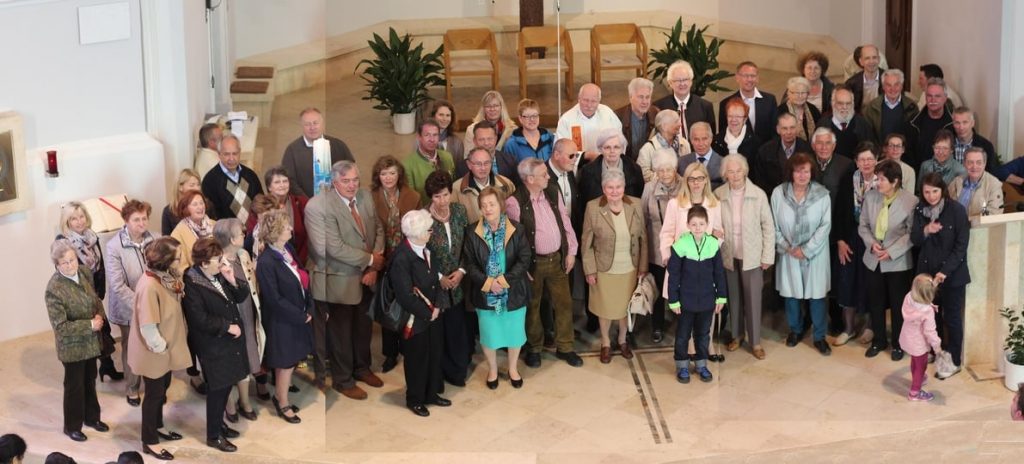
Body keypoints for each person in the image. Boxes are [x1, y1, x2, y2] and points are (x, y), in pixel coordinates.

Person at [304, 160, 385, 399]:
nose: (352, 186)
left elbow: (378, 229)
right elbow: (329, 248)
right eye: (346, 181)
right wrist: (370, 260)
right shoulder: (318, 206)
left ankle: (362, 368)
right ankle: (343, 379)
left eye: (355, 180)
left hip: (366, 276)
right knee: (340, 332)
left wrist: (374, 265)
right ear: (333, 182)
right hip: (337, 279)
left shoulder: (365, 197)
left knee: (363, 327)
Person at [507, 158, 582, 368]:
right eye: (544, 175)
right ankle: (534, 348)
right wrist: (522, 268)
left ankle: (566, 347)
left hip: (557, 258)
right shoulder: (514, 202)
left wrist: (570, 252)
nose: (549, 177)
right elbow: (515, 239)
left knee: (564, 304)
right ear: (530, 179)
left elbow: (565, 222)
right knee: (533, 307)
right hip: (533, 264)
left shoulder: (552, 192)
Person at [181, 237, 251, 453]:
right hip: (213, 344)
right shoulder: (192, 283)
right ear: (203, 263)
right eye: (217, 259)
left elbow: (241, 295)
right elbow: (198, 319)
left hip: (228, 343)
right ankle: (213, 436)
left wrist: (231, 279)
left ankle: (219, 425)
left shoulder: (218, 274)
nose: (222, 263)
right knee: (218, 389)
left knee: (226, 384)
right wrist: (227, 327)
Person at [128, 237, 190, 461]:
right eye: (177, 256)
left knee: (162, 390)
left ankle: (158, 426)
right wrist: (163, 349)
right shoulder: (149, 285)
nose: (181, 259)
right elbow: (148, 327)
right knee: (153, 395)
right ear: (166, 260)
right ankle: (150, 441)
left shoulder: (166, 277)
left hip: (165, 350)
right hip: (154, 352)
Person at [463, 187, 531, 388]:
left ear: (501, 205)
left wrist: (503, 280)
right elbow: (469, 263)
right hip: (485, 293)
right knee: (489, 334)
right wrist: (488, 283)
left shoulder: (517, 229)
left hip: (513, 292)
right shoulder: (472, 231)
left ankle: (512, 368)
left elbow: (524, 259)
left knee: (514, 333)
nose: (487, 209)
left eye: (491, 204)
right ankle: (492, 369)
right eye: (483, 205)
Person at [45, 240, 110, 442]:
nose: (70, 265)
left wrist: (100, 316)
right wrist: (90, 325)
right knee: (74, 386)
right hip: (72, 347)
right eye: (64, 263)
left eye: (72, 259)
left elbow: (95, 299)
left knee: (90, 380)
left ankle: (92, 418)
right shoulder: (54, 289)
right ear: (56, 265)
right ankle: (72, 426)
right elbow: (61, 328)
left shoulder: (84, 272)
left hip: (91, 342)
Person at [581, 171, 648, 363]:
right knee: (606, 308)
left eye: (618, 187)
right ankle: (605, 343)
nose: (614, 191)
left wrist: (643, 267)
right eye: (610, 187)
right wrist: (590, 270)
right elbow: (586, 242)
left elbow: (644, 237)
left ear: (624, 188)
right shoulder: (593, 207)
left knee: (624, 308)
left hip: (630, 267)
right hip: (604, 268)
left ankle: (622, 340)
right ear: (604, 189)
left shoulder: (635, 203)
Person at [771, 153, 832, 356]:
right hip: (788, 253)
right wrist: (787, 246)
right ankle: (795, 330)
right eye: (798, 171)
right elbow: (773, 225)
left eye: (806, 170)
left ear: (811, 172)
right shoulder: (778, 194)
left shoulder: (822, 194)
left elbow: (825, 226)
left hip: (815, 254)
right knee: (792, 295)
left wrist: (806, 250)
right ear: (791, 172)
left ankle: (819, 336)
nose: (802, 175)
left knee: (817, 297)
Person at [256, 210, 313, 424]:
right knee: (285, 362)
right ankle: (282, 403)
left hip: (296, 315)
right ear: (275, 232)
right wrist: (300, 315)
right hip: (282, 320)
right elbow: (274, 299)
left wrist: (308, 305)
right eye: (286, 226)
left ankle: (281, 396)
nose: (291, 229)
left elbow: (300, 275)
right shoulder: (266, 261)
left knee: (290, 362)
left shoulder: (286, 249)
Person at [714, 154, 774, 359]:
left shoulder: (758, 194)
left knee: (753, 299)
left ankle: (755, 342)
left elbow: (768, 227)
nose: (735, 175)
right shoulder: (718, 194)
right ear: (725, 174)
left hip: (752, 255)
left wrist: (767, 256)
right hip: (728, 254)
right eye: (730, 171)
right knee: (734, 298)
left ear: (745, 171)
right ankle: (737, 335)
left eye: (738, 170)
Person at [911, 173, 970, 380]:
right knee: (931, 317)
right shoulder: (919, 210)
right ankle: (937, 352)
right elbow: (915, 239)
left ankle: (953, 360)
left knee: (952, 318)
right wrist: (926, 229)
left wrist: (945, 271)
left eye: (935, 191)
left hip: (952, 275)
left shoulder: (956, 210)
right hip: (927, 277)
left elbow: (961, 246)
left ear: (942, 190)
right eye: (926, 191)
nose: (931, 196)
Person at [390, 210, 449, 416]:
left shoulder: (427, 248)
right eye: (428, 230)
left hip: (433, 315)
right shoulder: (401, 258)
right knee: (417, 359)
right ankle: (415, 398)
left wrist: (439, 306)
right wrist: (428, 313)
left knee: (434, 354)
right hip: (415, 320)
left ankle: (431, 393)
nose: (431, 232)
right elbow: (405, 295)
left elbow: (437, 280)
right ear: (415, 233)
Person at [858, 159, 918, 360]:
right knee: (875, 302)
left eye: (882, 179)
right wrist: (871, 244)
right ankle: (879, 341)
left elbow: (911, 233)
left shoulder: (910, 201)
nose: (877, 182)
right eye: (877, 178)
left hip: (897, 262)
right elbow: (863, 226)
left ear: (895, 181)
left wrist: (891, 251)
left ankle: (899, 344)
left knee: (898, 304)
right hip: (873, 259)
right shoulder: (871, 197)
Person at [56, 202, 121, 382]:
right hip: (77, 298)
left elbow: (100, 267)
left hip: (94, 293)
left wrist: (100, 292)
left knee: (102, 331)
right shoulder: (62, 242)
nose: (79, 221)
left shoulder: (92, 237)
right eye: (73, 218)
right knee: (89, 334)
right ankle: (90, 373)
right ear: (67, 221)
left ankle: (107, 367)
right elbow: (64, 274)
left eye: (81, 216)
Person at [370, 155, 421, 373]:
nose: (388, 177)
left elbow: (419, 228)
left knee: (407, 303)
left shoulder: (413, 196)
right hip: (383, 259)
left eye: (392, 172)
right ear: (377, 176)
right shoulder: (369, 197)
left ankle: (407, 347)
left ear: (399, 174)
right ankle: (390, 353)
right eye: (383, 174)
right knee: (387, 306)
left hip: (406, 259)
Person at [666, 206, 727, 383]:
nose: (698, 227)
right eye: (694, 224)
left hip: (707, 300)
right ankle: (682, 365)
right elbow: (674, 275)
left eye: (701, 224)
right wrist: (674, 300)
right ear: (688, 225)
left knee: (703, 334)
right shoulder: (680, 245)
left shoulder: (713, 245)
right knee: (683, 334)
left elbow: (719, 273)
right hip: (686, 300)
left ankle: (701, 364)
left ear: (707, 224)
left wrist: (721, 297)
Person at [102, 199, 154, 406]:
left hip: (153, 304)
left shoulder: (155, 238)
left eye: (144, 219)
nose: (142, 223)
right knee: (132, 347)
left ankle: (153, 384)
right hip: (128, 307)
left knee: (152, 344)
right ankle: (132, 387)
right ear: (126, 220)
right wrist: (141, 304)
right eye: (136, 219)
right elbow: (117, 285)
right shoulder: (114, 246)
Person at [422, 170, 471, 386]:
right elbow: (421, 254)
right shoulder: (423, 218)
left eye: (445, 195)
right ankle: (438, 372)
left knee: (456, 329)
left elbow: (467, 245)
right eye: (436, 196)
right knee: (437, 332)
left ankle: (457, 372)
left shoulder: (459, 211)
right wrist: (440, 276)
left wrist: (461, 271)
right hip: (435, 285)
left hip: (458, 283)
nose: (442, 201)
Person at [212, 219, 263, 423]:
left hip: (247, 312)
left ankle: (245, 400)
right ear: (232, 239)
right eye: (241, 233)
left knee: (248, 354)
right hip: (228, 317)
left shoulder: (243, 255)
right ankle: (229, 403)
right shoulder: (216, 262)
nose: (245, 235)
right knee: (230, 359)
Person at [832, 144, 879, 346]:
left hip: (873, 237)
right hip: (851, 236)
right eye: (862, 160)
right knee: (847, 282)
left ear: (876, 159)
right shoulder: (848, 180)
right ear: (856, 162)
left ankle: (869, 327)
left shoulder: (883, 180)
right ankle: (849, 328)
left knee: (870, 282)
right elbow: (839, 211)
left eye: (869, 159)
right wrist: (840, 240)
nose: (866, 163)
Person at [641, 149, 685, 343]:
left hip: (682, 248)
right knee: (658, 289)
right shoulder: (649, 188)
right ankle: (657, 325)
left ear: (675, 168)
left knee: (681, 289)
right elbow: (642, 217)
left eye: (669, 169)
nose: (665, 174)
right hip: (657, 249)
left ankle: (682, 324)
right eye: (660, 170)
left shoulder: (685, 185)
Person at [280, 107, 355, 198]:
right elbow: (289, 180)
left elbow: (352, 171)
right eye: (307, 124)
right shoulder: (292, 150)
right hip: (307, 203)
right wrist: (308, 202)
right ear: (302, 126)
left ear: (322, 124)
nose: (312, 127)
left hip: (338, 200)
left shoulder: (338, 145)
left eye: (315, 123)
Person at [249, 166, 309, 264]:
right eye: (277, 182)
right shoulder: (260, 205)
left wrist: (299, 260)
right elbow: (253, 234)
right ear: (269, 187)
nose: (282, 185)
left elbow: (307, 235)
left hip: (299, 259)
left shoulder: (301, 203)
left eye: (285, 181)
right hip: (271, 261)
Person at [899, 274, 944, 401]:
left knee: (914, 361)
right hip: (919, 344)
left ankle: (918, 379)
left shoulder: (908, 298)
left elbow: (921, 289)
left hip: (908, 338)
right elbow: (930, 332)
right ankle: (915, 392)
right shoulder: (927, 311)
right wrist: (937, 346)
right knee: (921, 366)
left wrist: (931, 284)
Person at [201, 134, 264, 222]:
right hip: (227, 234)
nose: (231, 158)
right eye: (226, 154)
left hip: (253, 231)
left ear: (240, 152)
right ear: (219, 154)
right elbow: (211, 216)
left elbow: (262, 204)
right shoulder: (210, 181)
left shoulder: (250, 175)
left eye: (235, 153)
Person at [556, 83, 623, 163]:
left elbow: (620, 141)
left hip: (606, 162)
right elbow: (562, 150)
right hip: (577, 165)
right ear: (579, 98)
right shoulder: (566, 119)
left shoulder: (608, 114)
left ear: (599, 101)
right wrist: (587, 155)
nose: (589, 105)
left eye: (594, 101)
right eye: (585, 100)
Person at [578, 128, 644, 207]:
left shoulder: (635, 170)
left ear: (622, 149)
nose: (612, 151)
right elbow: (583, 202)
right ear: (600, 149)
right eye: (607, 147)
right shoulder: (588, 172)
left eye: (616, 147)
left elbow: (638, 199)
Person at [451, 147, 517, 225]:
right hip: (472, 235)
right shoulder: (456, 189)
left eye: (486, 163)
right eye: (478, 164)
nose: (483, 168)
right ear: (469, 165)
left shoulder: (505, 183)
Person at [750, 113, 812, 194]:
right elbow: (760, 181)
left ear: (797, 128)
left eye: (792, 128)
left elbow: (811, 179)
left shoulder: (807, 150)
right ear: (778, 130)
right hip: (772, 198)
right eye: (784, 128)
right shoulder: (765, 151)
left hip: (800, 198)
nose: (789, 132)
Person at [653, 60, 716, 137]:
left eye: (685, 79)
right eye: (678, 80)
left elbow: (711, 138)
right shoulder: (659, 107)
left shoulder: (705, 106)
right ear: (670, 83)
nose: (682, 84)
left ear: (691, 81)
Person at [717, 61, 778, 142]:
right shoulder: (726, 103)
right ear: (737, 78)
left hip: (765, 151)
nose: (749, 79)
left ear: (757, 78)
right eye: (745, 76)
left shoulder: (770, 100)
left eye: (753, 76)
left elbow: (775, 131)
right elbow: (724, 134)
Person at [404, 119, 456, 204]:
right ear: (419, 137)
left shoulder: (447, 157)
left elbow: (453, 187)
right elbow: (411, 199)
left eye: (435, 135)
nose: (432, 139)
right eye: (427, 135)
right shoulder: (408, 165)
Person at [906, 78, 953, 170]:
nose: (933, 100)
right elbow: (908, 155)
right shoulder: (913, 123)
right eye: (929, 96)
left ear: (945, 98)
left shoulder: (953, 124)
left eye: (937, 96)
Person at [863, 69, 919, 145]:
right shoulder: (872, 107)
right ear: (883, 87)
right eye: (888, 85)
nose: (893, 89)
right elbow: (868, 137)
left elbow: (915, 136)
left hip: (904, 154)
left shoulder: (912, 107)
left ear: (902, 86)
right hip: (880, 154)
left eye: (896, 84)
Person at [818, 85, 876, 158]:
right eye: (840, 103)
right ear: (833, 103)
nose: (844, 107)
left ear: (853, 104)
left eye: (848, 103)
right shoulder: (823, 124)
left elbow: (871, 152)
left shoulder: (862, 124)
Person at [636, 109, 691, 182]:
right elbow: (644, 174)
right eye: (676, 121)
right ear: (664, 126)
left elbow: (690, 168)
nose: (680, 124)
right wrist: (667, 179)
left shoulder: (684, 144)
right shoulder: (648, 149)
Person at [949, 147, 1004, 217]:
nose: (974, 166)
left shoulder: (994, 185)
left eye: (979, 162)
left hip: (979, 227)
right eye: (970, 162)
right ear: (964, 164)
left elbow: (993, 215)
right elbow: (946, 205)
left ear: (984, 163)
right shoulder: (957, 181)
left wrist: (965, 223)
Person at [616, 77, 661, 162]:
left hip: (650, 163)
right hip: (627, 164)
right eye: (641, 97)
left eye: (647, 97)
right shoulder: (618, 117)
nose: (644, 102)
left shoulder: (656, 114)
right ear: (630, 97)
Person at [503, 98, 555, 163]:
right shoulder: (512, 144)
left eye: (535, 115)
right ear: (520, 119)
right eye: (527, 116)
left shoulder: (549, 137)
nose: (532, 119)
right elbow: (508, 170)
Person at [678, 122, 725, 190]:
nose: (700, 144)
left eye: (704, 139)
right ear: (691, 140)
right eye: (696, 139)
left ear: (711, 139)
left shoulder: (723, 163)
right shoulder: (682, 162)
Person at [951, 106, 1000, 171]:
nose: (961, 127)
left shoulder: (986, 146)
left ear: (972, 123)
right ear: (953, 124)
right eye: (957, 123)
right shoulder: (947, 144)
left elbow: (990, 173)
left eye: (965, 122)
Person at [777, 77, 820, 141]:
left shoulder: (813, 110)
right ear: (788, 93)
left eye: (803, 93)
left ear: (808, 94)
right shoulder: (780, 111)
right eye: (796, 93)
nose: (799, 96)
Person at [844, 44, 883, 113]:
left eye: (874, 57)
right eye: (867, 58)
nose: (871, 61)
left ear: (879, 59)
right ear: (861, 62)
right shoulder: (851, 83)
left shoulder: (890, 80)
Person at [162, 169, 201, 236]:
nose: (197, 188)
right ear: (180, 187)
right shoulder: (169, 211)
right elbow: (166, 240)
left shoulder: (207, 205)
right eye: (192, 185)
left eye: (198, 185)